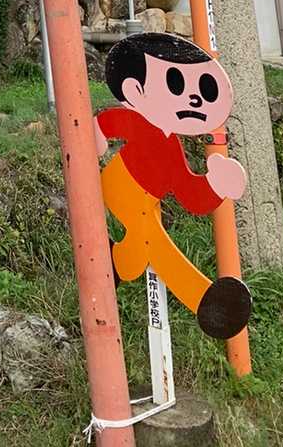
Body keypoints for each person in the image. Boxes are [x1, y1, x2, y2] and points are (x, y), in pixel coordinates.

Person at [94, 32, 251, 341]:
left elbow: (189, 194)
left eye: (205, 89)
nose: (194, 98)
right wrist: (95, 135)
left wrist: (216, 185)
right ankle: (203, 299)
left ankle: (118, 263)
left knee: (146, 245)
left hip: (143, 203)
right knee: (151, 239)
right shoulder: (140, 124)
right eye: (175, 83)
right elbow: (107, 124)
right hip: (119, 187)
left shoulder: (172, 151)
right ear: (135, 90)